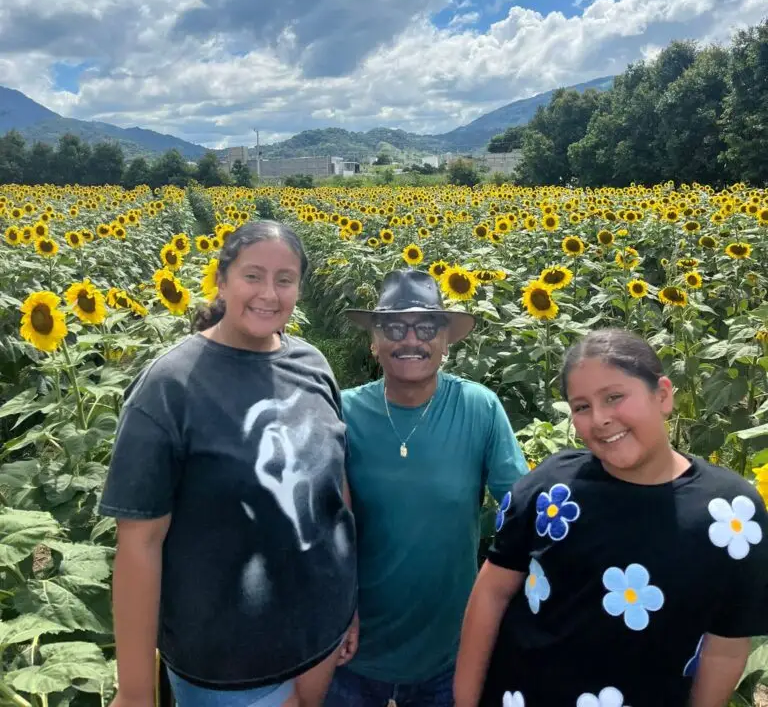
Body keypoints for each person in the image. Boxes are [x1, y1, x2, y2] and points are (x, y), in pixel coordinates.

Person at [99, 221, 357, 707]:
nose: (269, 293)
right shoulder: (169, 387)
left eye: (285, 279)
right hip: (227, 659)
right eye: (252, 275)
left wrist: (348, 604)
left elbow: (334, 489)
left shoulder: (312, 364)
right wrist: (135, 692)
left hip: (320, 632)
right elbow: (139, 545)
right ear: (221, 280)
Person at [454, 328, 768, 707]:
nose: (600, 418)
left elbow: (726, 646)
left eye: (614, 397)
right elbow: (492, 592)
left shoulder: (731, 514)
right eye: (581, 406)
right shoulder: (549, 491)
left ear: (663, 395)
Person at [326, 269, 528, 707]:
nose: (410, 340)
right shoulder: (343, 413)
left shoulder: (479, 408)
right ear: (373, 342)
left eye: (426, 328)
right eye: (394, 328)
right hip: (352, 646)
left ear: (445, 342)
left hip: (449, 651)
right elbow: (318, 520)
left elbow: (520, 507)